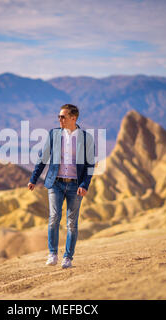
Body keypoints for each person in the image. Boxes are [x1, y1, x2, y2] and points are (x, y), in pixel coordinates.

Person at [27, 104, 95, 268]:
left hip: (75, 186)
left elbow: (90, 165)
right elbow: (43, 158)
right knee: (53, 219)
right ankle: (52, 254)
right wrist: (33, 179)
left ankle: (68, 258)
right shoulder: (54, 134)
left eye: (63, 117)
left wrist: (85, 184)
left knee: (72, 223)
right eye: (59, 116)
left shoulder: (86, 138)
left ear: (74, 118)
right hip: (55, 183)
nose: (59, 119)